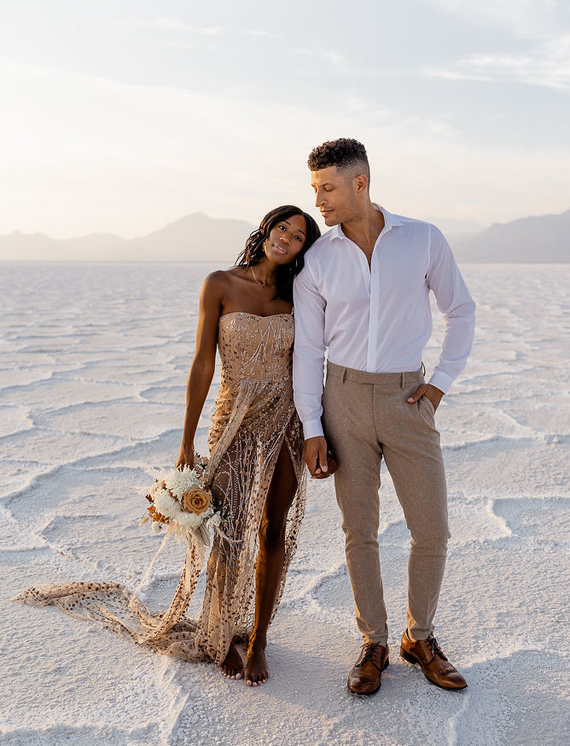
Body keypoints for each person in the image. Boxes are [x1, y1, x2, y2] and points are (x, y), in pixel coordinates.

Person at [15, 204, 320, 689]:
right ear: (266, 230)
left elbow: (310, 363)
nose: (286, 238)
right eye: (282, 227)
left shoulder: (300, 295)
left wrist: (314, 429)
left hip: (285, 418)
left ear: (304, 249)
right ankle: (221, 633)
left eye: (299, 236)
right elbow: (202, 363)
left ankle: (259, 637)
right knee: (231, 530)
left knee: (273, 526)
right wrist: (186, 439)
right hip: (233, 421)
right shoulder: (220, 283)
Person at [292, 139, 475, 696]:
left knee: (432, 528)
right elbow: (308, 350)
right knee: (359, 529)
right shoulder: (318, 259)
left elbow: (460, 310)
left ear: (360, 184)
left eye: (327, 187)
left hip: (407, 397)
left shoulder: (421, 238)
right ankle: (373, 642)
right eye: (315, 188)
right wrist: (312, 427)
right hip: (341, 398)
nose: (318, 200)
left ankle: (420, 638)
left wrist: (439, 384)